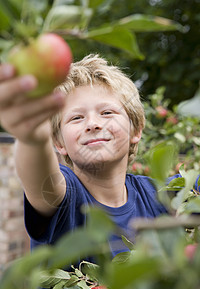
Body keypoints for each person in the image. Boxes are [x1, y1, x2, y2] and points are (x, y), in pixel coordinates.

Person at [0, 54, 182, 258]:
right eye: (76, 117)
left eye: (107, 113)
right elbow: (41, 179)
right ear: (59, 143)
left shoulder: (160, 195)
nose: (93, 124)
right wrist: (33, 137)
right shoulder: (68, 198)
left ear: (136, 130)